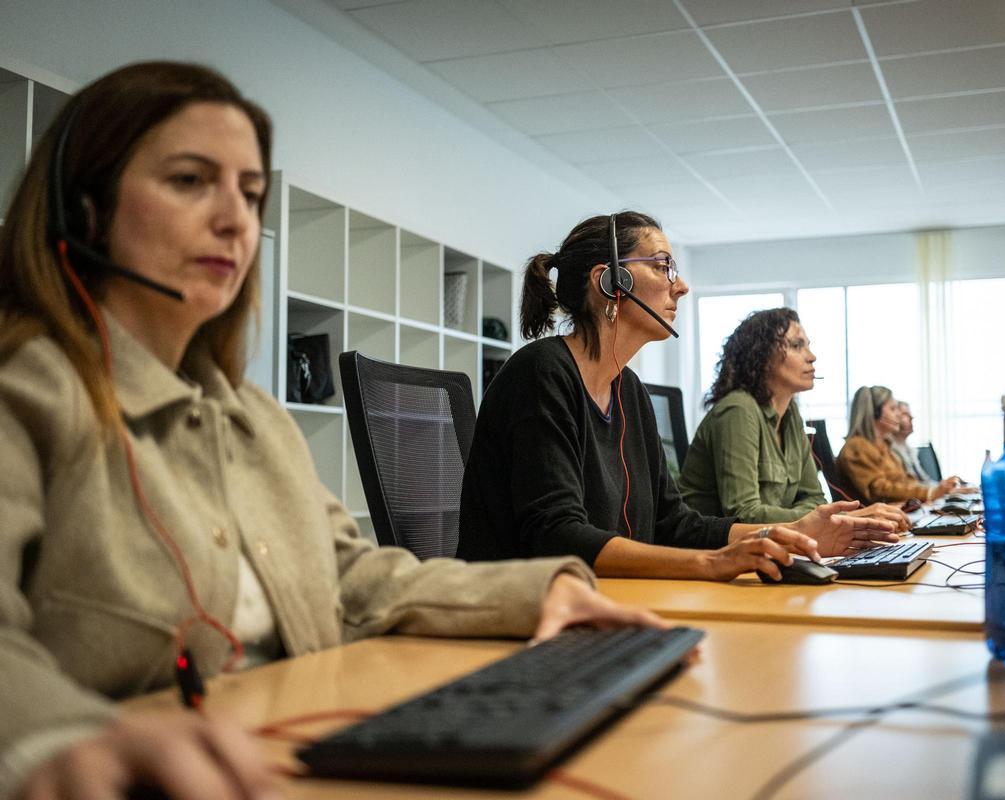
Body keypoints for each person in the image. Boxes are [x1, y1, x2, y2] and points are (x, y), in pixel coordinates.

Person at [0, 62, 661, 800]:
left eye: (251, 195)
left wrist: (539, 594)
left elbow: (349, 578)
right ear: (85, 211)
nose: (235, 219)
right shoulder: (27, 391)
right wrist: (59, 738)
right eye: (190, 180)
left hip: (284, 751)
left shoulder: (252, 418)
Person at [457, 213, 899, 580]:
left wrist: (786, 531)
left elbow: (674, 524)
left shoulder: (628, 390)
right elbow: (556, 535)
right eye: (664, 266)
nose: (680, 285)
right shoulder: (541, 373)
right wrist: (710, 563)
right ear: (610, 281)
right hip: (521, 613)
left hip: (606, 601)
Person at [678, 308, 908, 530]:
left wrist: (819, 517)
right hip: (714, 557)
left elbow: (814, 498)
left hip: (770, 547)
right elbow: (745, 514)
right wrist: (846, 517)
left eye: (808, 346)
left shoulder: (791, 415)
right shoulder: (738, 409)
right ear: (762, 355)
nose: (812, 357)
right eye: (797, 345)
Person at [837, 386, 959, 503]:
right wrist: (929, 493)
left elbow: (906, 481)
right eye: (893, 409)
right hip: (878, 520)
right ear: (875, 412)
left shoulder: (884, 445)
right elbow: (879, 490)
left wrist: (938, 489)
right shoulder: (858, 446)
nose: (898, 415)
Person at [891, 400, 933, 482]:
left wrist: (945, 488)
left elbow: (925, 482)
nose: (911, 417)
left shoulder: (909, 450)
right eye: (905, 414)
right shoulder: (889, 451)